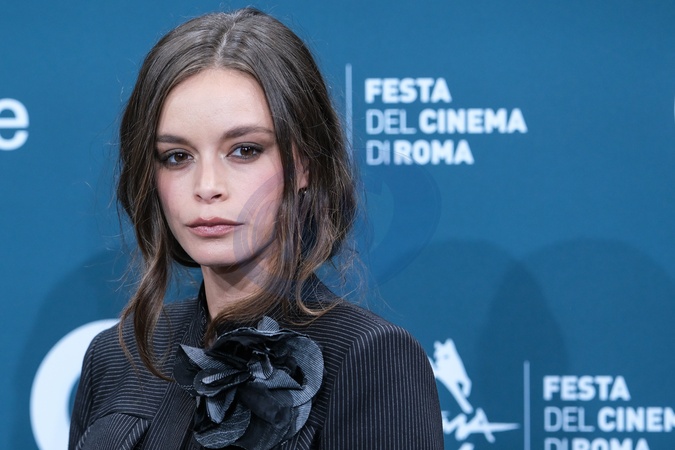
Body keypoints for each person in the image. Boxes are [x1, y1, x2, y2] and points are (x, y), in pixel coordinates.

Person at [69, 7, 443, 450]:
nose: (207, 186)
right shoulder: (115, 357)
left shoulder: (369, 358)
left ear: (304, 163)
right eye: (177, 157)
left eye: (244, 150)